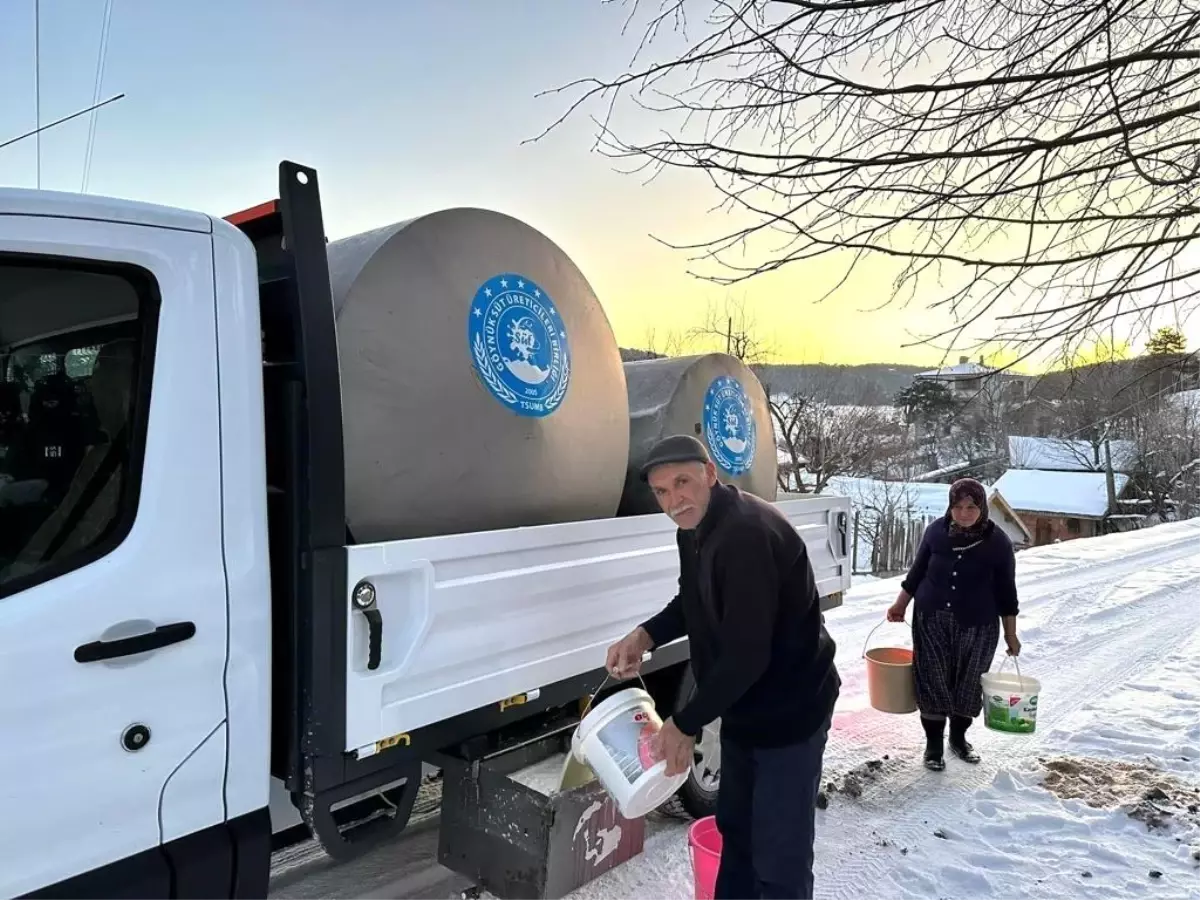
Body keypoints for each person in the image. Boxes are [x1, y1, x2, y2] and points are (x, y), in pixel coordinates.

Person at [606, 434, 840, 900]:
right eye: (662, 492)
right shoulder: (693, 530)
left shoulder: (746, 535)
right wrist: (646, 634)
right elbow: (692, 600)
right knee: (738, 834)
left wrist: (686, 721)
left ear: (710, 474)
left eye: (683, 482)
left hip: (790, 714)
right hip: (745, 712)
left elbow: (749, 653)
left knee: (778, 858)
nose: (674, 500)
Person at [887, 477, 1021, 771]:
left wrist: (1011, 634)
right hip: (931, 617)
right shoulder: (936, 531)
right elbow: (917, 571)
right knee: (932, 678)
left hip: (978, 624)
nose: (964, 513)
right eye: (958, 506)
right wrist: (900, 604)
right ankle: (933, 745)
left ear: (982, 507)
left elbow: (1007, 593)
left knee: (969, 683)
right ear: (950, 506)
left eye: (971, 506)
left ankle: (958, 739)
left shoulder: (998, 543)